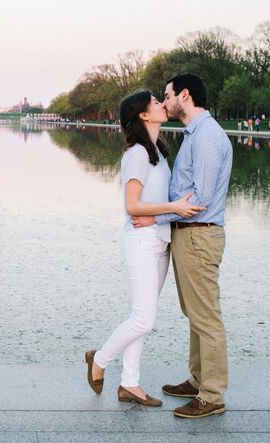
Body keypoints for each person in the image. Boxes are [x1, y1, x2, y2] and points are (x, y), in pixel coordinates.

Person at [85, 90, 205, 408]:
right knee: (143, 318)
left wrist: (168, 213)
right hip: (141, 242)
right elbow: (132, 206)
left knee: (142, 316)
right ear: (143, 115)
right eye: (155, 102)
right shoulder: (137, 153)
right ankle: (99, 359)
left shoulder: (157, 151)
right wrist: (175, 208)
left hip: (160, 241)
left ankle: (130, 384)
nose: (162, 104)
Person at [132, 73, 233, 419]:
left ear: (185, 95)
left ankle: (212, 395)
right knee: (195, 312)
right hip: (189, 233)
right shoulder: (195, 134)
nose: (164, 101)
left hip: (198, 233)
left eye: (167, 95)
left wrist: (155, 218)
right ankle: (198, 378)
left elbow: (199, 199)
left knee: (206, 316)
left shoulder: (205, 137)